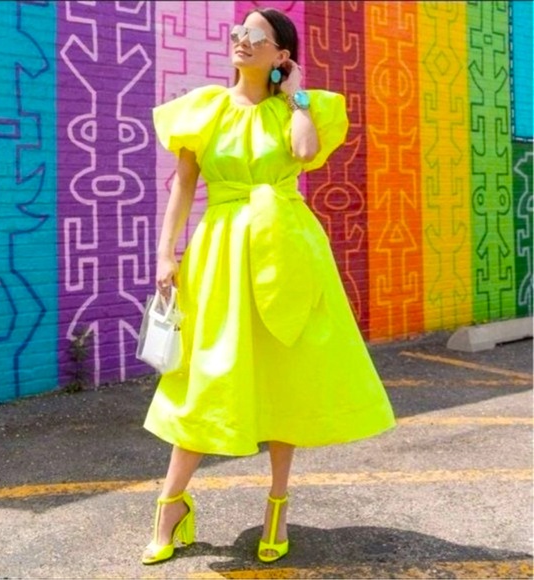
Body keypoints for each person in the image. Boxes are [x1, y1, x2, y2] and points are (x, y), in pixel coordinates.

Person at [141, 7, 396, 565]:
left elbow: (304, 153)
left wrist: (296, 94)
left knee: (286, 375)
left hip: (288, 248)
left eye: (256, 35)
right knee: (207, 375)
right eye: (238, 32)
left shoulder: (296, 109)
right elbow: (183, 186)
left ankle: (277, 506)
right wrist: (165, 253)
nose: (241, 39)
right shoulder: (204, 109)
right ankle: (171, 504)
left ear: (281, 54)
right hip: (221, 252)